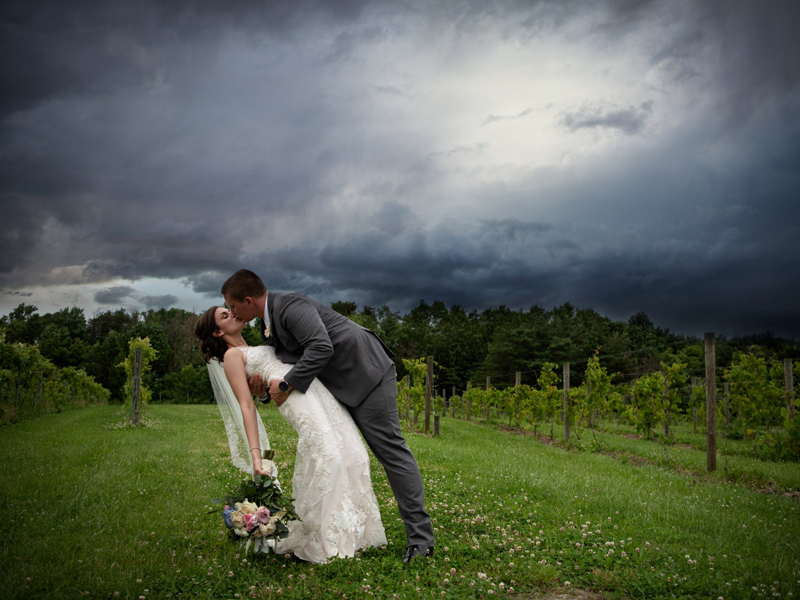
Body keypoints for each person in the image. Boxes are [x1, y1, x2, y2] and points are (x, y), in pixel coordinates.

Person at [221, 269, 435, 563]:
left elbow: (321, 346)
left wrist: (285, 385)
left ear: (247, 300)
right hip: (335, 390)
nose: (232, 313)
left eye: (232, 307)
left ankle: (421, 541)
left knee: (391, 451)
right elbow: (282, 366)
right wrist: (262, 391)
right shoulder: (267, 325)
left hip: (366, 373)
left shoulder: (289, 306)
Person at [195, 306, 386, 563]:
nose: (233, 313)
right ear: (217, 332)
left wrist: (262, 391)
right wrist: (256, 457)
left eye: (230, 309)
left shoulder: (256, 343)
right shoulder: (232, 356)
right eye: (225, 315)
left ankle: (358, 533)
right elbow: (246, 405)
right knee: (331, 457)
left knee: (354, 452)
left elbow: (264, 387)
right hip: (296, 400)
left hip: (313, 387)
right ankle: (329, 541)